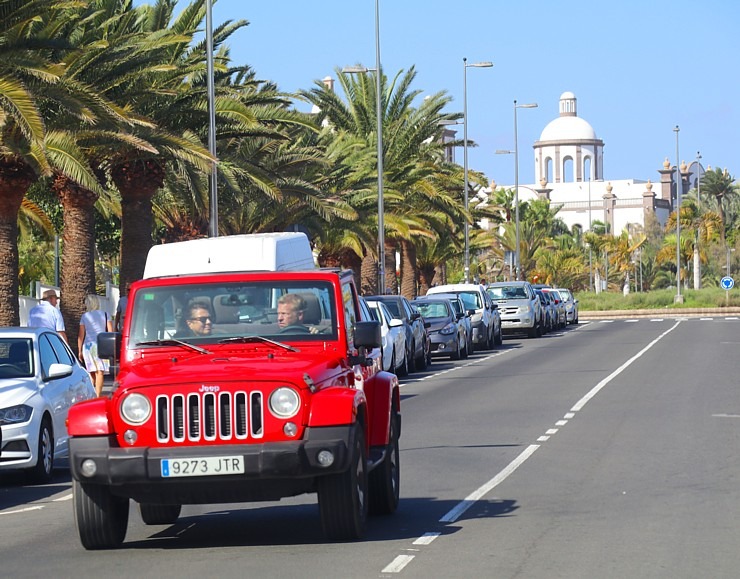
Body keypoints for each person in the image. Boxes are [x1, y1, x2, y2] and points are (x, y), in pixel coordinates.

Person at [78, 294, 113, 397]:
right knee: (100, 371)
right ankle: (97, 395)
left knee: (91, 371)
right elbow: (111, 332)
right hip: (102, 345)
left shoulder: (85, 316)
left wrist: (79, 351)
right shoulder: (106, 314)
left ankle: (92, 394)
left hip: (88, 346)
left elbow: (81, 335)